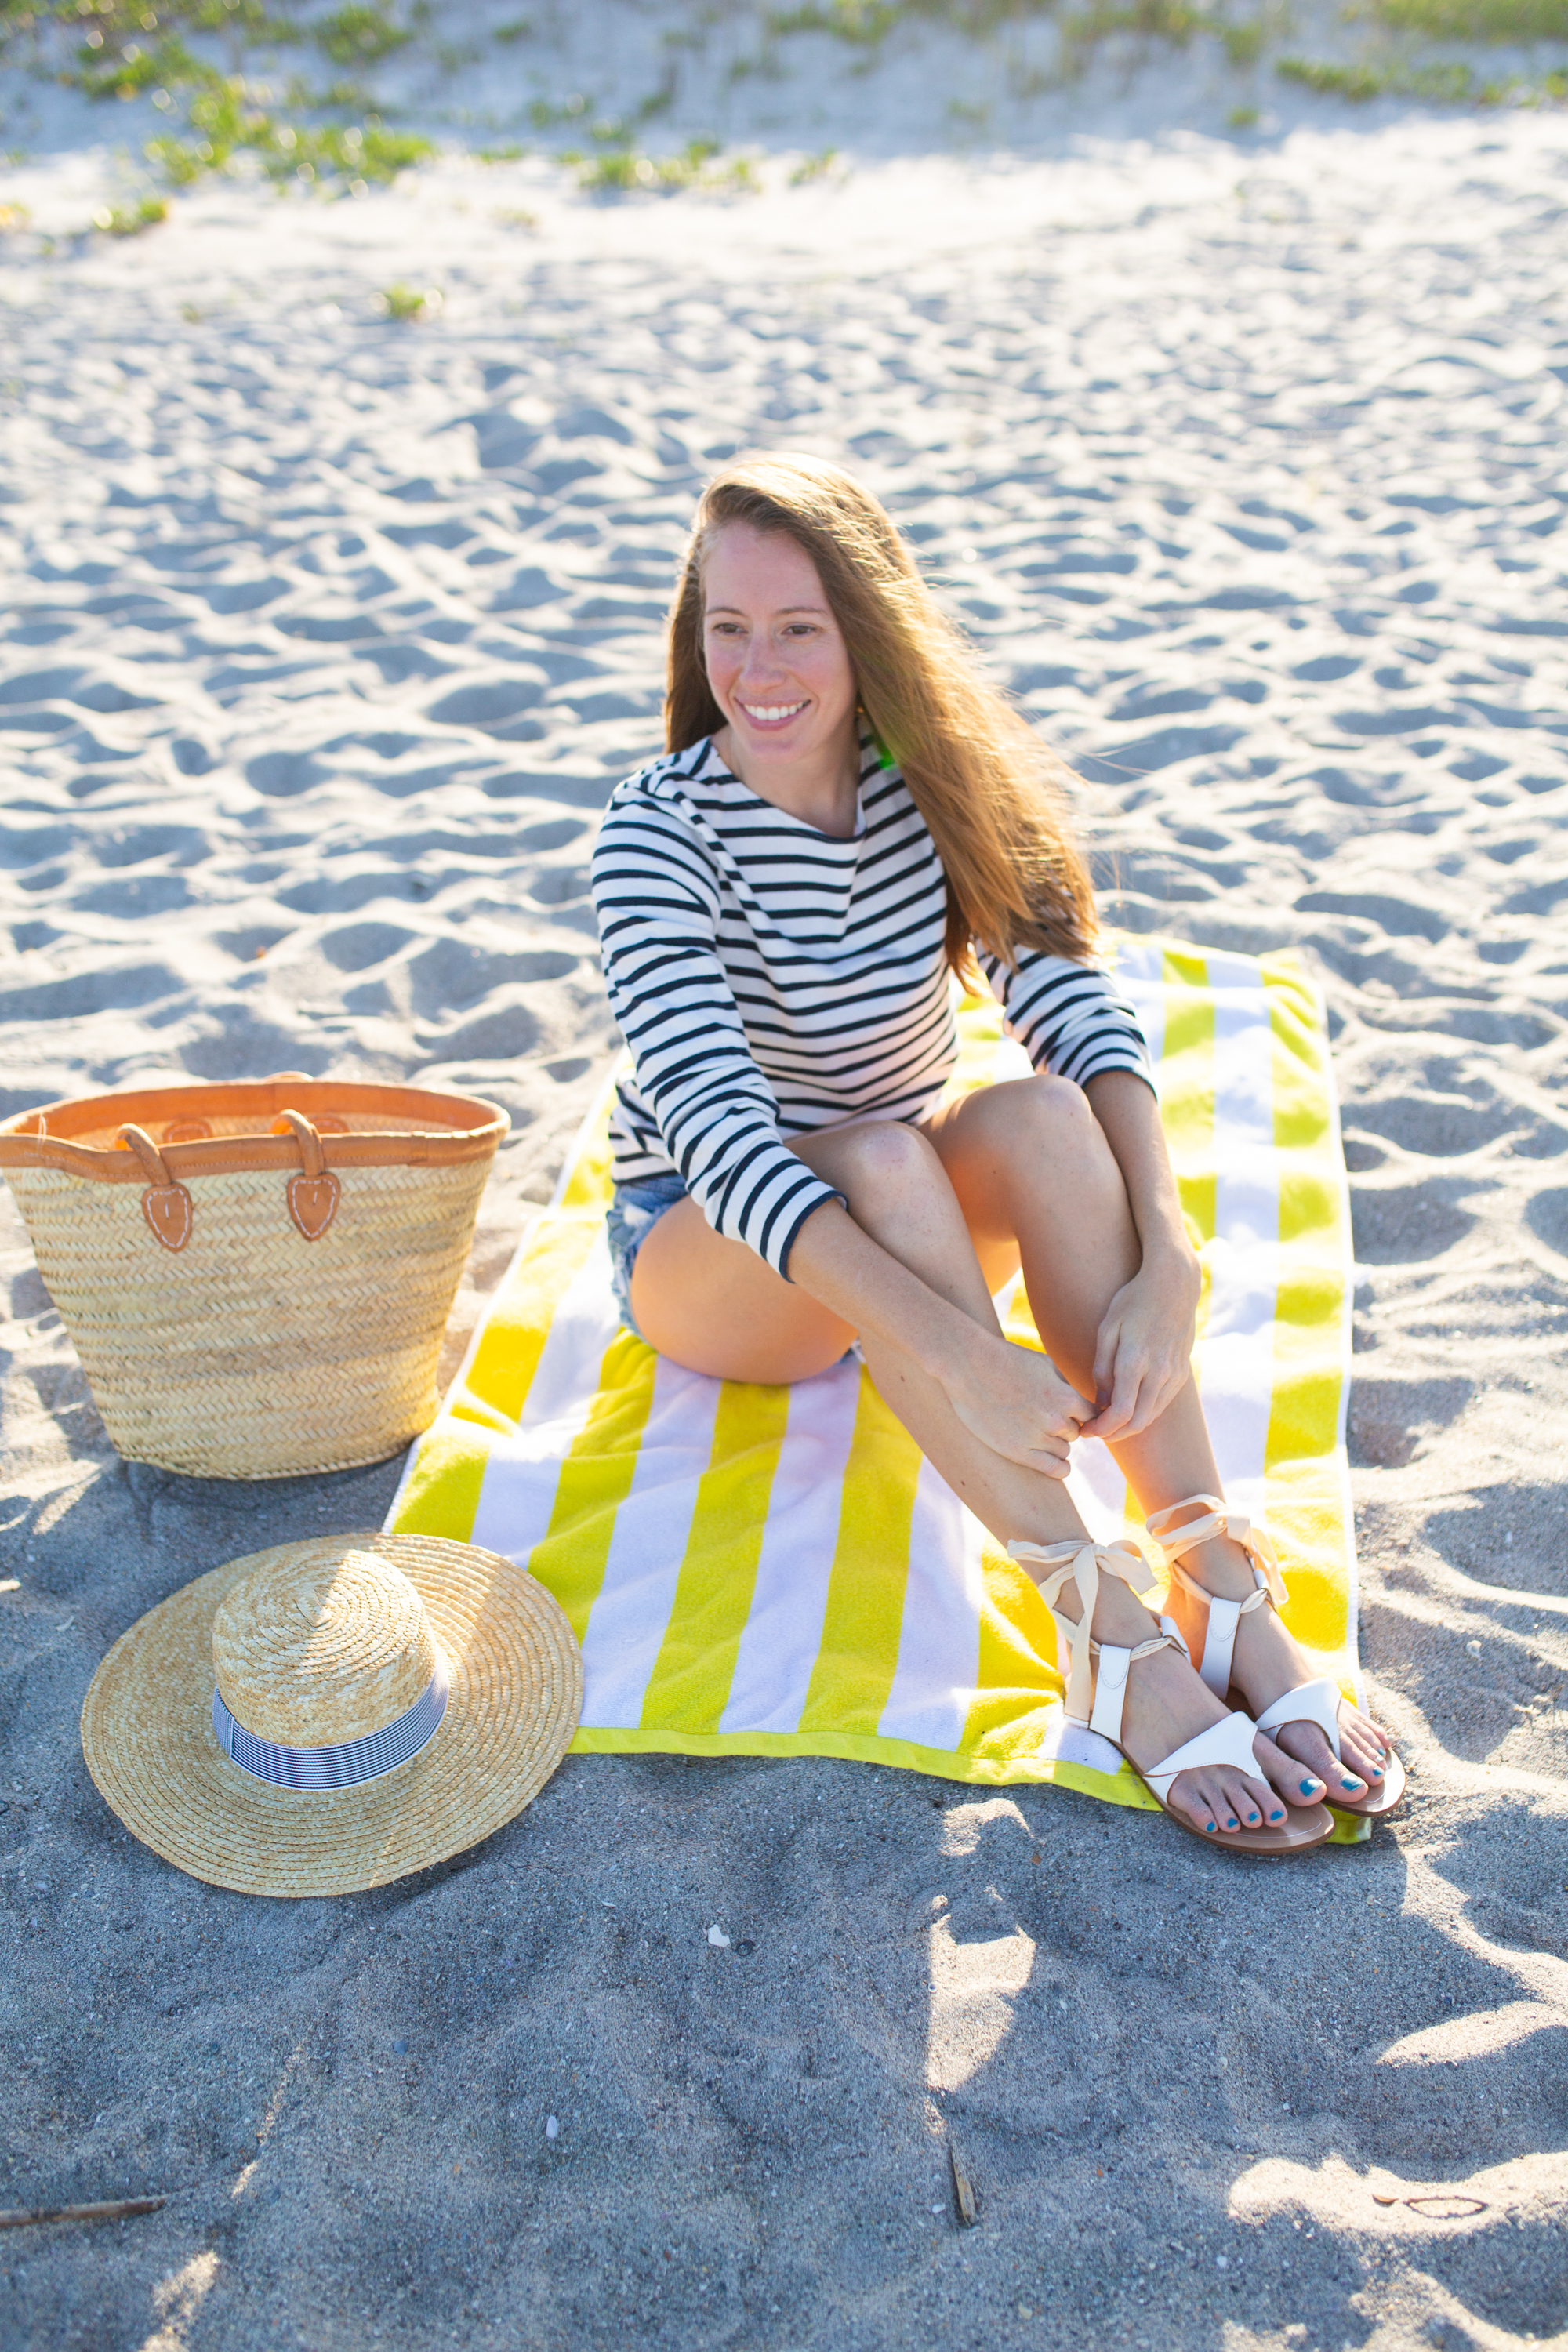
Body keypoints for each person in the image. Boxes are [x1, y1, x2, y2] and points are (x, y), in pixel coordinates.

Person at [590, 452, 1400, 1854]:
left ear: (869, 631)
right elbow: (719, 1132)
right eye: (728, 627)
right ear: (694, 629)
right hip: (710, 1248)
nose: (756, 667)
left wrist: (1171, 1246)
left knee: (1030, 1111)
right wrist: (960, 1348)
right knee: (886, 1163)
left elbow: (1074, 1004)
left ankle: (1212, 1577)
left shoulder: (935, 792)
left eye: (799, 628)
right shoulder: (656, 833)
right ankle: (1108, 1638)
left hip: (894, 1194)